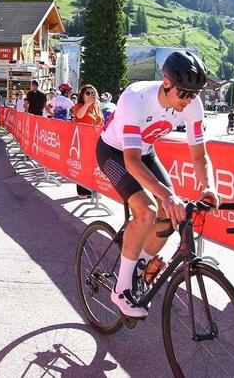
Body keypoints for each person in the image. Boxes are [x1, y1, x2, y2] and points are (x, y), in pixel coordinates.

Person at [97, 51, 219, 318]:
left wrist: (208, 187)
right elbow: (130, 161)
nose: (189, 100)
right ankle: (120, 291)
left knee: (169, 215)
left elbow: (199, 155)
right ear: (166, 82)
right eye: (184, 93)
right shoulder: (135, 99)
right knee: (148, 210)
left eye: (195, 93)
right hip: (115, 152)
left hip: (146, 152)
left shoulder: (193, 105)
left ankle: (138, 266)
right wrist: (167, 195)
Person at [73, 84, 104, 198]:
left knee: (94, 166)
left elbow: (101, 121)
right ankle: (82, 191)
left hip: (96, 140)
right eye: (88, 93)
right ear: (82, 95)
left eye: (93, 93)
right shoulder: (79, 106)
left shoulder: (97, 106)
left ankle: (93, 189)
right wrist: (87, 104)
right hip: (83, 140)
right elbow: (79, 116)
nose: (91, 95)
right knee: (84, 165)